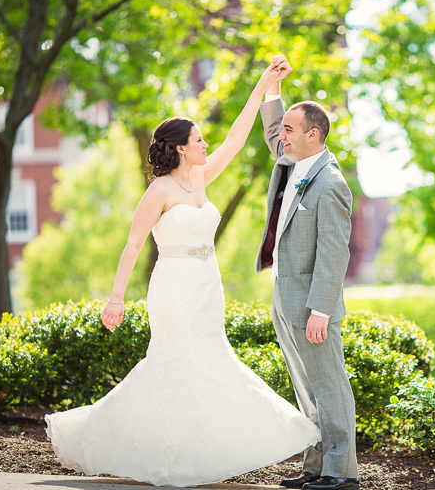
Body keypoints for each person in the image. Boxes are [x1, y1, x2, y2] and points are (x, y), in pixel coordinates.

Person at [44, 58, 321, 487]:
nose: (206, 144)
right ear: (179, 148)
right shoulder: (159, 190)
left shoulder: (201, 179)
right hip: (172, 289)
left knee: (211, 363)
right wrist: (116, 298)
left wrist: (264, 86)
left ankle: (199, 453)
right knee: (173, 364)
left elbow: (236, 136)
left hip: (208, 286)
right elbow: (134, 244)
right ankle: (145, 449)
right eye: (198, 140)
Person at [255, 56, 359, 490]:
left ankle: (341, 473)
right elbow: (269, 129)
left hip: (313, 306)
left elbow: (334, 256)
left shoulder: (331, 184)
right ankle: (316, 467)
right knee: (306, 388)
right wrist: (273, 90)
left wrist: (320, 310)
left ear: (312, 136)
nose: (282, 136)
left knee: (329, 387)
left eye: (290, 130)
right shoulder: (292, 165)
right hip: (285, 295)